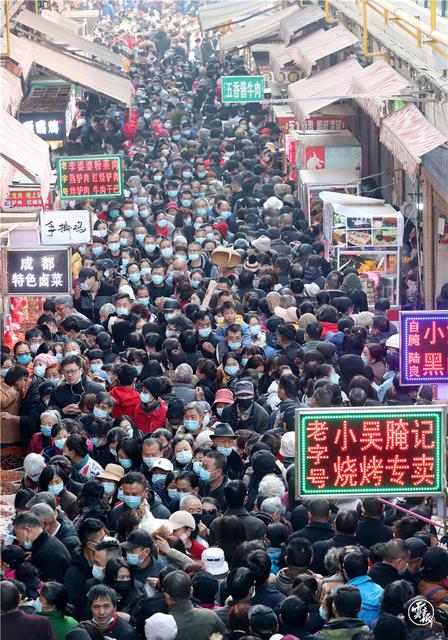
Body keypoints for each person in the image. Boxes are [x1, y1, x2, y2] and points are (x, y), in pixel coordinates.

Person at [162, 570, 225, 640]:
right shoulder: (210, 616)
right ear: (191, 591)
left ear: (167, 596)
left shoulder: (161, 626)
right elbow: (221, 635)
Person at [13, 512, 71, 583]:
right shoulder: (43, 542)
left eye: (17, 534)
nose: (17, 538)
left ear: (27, 531)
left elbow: (49, 589)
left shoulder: (48, 554)